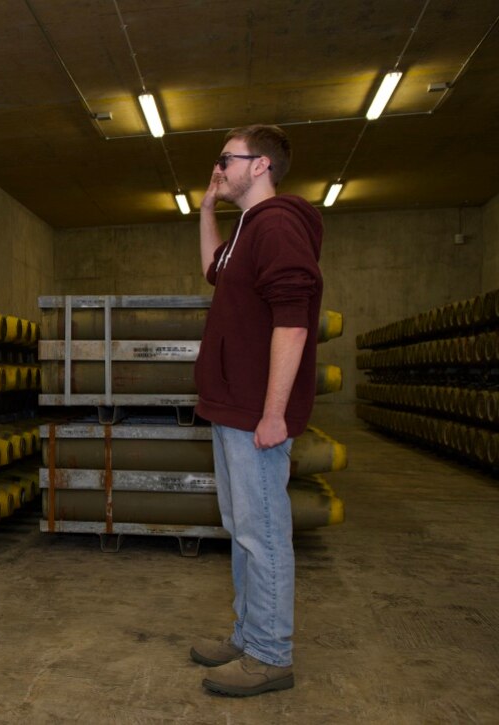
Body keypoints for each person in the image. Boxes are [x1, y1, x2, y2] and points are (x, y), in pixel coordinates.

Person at [190, 125, 323, 696]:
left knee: (264, 533)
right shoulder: (247, 228)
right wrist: (206, 209)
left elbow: (294, 320)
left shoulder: (277, 224)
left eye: (227, 159)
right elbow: (212, 269)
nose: (218, 167)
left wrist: (274, 413)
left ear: (261, 164)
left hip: (254, 414)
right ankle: (249, 634)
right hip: (232, 409)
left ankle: (271, 655)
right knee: (243, 528)